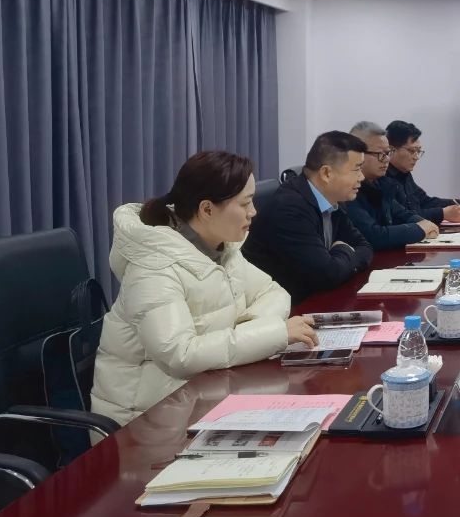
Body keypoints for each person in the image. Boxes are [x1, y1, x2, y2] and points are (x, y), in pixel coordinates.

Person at [91, 151, 317, 425]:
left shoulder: (221, 249)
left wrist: (250, 331)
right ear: (207, 209)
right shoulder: (154, 267)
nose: (253, 211)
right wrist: (273, 334)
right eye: (245, 203)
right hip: (145, 420)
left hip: (202, 397)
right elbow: (180, 355)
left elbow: (273, 292)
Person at [243, 131, 374, 302]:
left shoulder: (332, 199)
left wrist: (340, 258)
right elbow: (327, 275)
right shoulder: (289, 209)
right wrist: (343, 250)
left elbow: (365, 247)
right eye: (356, 169)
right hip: (285, 308)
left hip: (314, 299)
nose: (362, 177)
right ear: (326, 173)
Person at [345, 121, 440, 249]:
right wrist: (419, 229)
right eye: (380, 154)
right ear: (358, 154)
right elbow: (373, 235)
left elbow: (402, 213)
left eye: (388, 153)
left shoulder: (382, 183)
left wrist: (423, 222)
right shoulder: (348, 189)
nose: (387, 159)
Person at [384, 120, 460, 224]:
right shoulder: (382, 178)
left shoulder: (404, 174)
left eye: (418, 151)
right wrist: (442, 214)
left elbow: (425, 202)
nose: (416, 157)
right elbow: (402, 217)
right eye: (412, 151)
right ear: (391, 150)